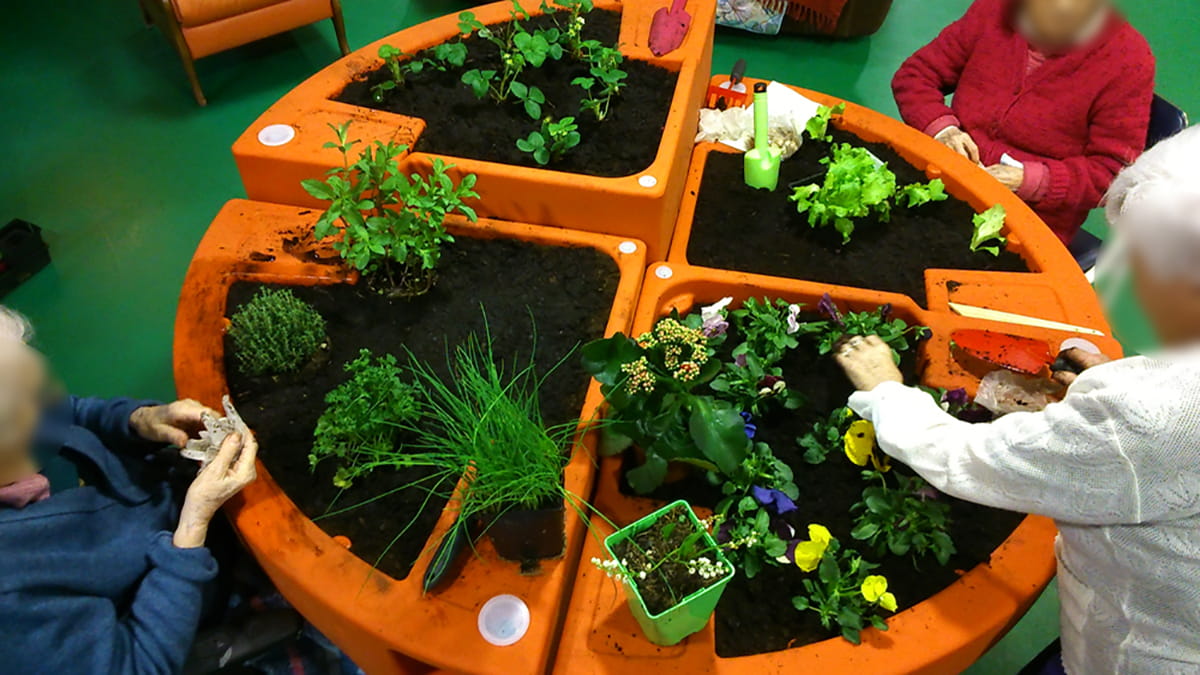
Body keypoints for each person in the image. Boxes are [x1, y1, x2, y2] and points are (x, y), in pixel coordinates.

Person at [834, 126, 1200, 673]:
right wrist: (1126, 389)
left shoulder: (1153, 416)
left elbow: (969, 461)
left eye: (1142, 264)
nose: (1117, 282)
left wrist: (886, 391)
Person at [0, 307, 259, 674]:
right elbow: (138, 665)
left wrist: (139, 420)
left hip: (181, 497)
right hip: (199, 593)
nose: (50, 403)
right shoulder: (10, 600)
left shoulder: (25, 411)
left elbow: (70, 411)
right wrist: (190, 533)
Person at [892, 0, 1155, 244]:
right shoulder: (995, 10)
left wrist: (1027, 180)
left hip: (1027, 221)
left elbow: (1111, 174)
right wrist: (944, 130)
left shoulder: (1129, 60)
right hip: (943, 178)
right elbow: (915, 77)